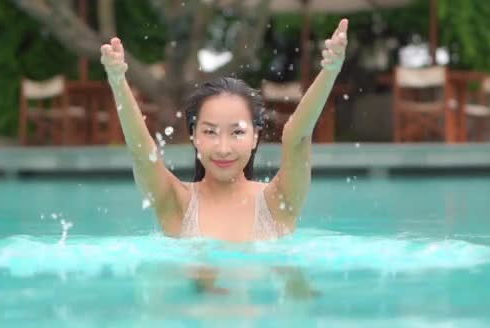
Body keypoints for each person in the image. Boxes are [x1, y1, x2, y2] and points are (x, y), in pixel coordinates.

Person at [100, 19, 349, 243]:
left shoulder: (277, 203)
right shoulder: (177, 204)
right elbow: (142, 152)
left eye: (237, 132)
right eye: (210, 132)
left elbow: (298, 136)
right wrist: (118, 81)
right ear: (194, 136)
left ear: (255, 136)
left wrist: (330, 71)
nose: (223, 148)